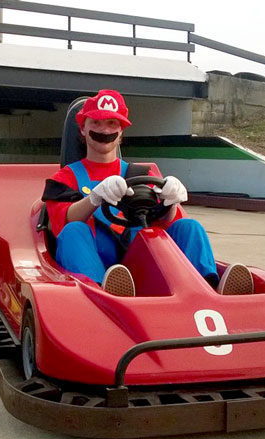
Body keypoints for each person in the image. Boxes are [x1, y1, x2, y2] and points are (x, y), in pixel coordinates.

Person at [41, 89, 253, 297]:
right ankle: (99, 292)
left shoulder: (142, 173)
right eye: (95, 123)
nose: (104, 130)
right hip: (95, 253)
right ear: (83, 129)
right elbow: (59, 224)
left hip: (140, 254)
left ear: (121, 131)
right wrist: (95, 198)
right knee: (74, 231)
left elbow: (167, 223)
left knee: (190, 226)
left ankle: (208, 288)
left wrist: (170, 202)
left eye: (111, 123)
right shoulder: (66, 176)